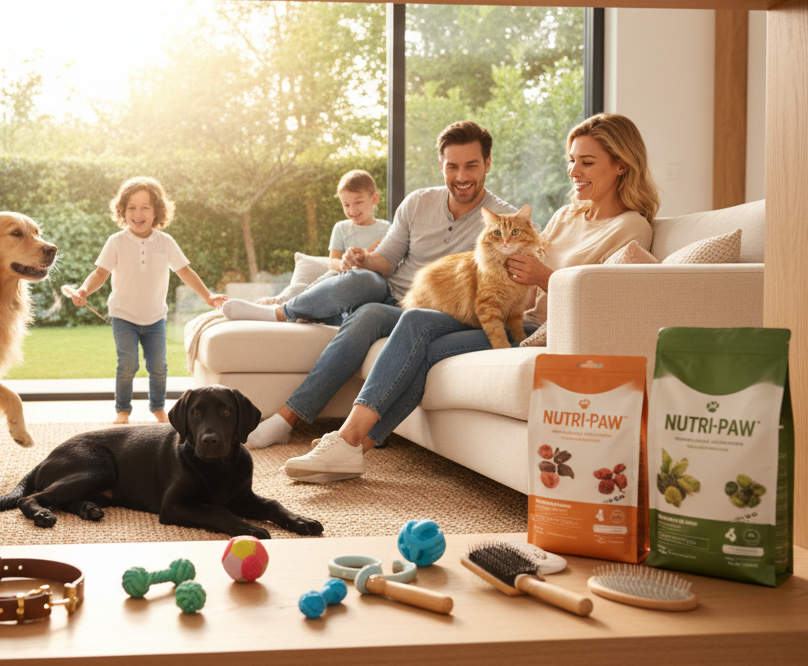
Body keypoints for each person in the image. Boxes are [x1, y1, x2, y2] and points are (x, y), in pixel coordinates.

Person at [281, 112, 661, 481]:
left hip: (542, 330)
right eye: (571, 160)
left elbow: (608, 301)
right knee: (415, 322)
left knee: (419, 337)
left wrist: (545, 277)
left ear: (621, 165)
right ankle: (352, 447)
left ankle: (349, 441)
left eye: (587, 162)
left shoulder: (631, 227)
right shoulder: (566, 216)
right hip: (510, 315)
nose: (573, 172)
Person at [245, 120, 517, 450]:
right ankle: (283, 312)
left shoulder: (503, 221)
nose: (461, 177)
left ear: (488, 163)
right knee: (361, 280)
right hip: (393, 294)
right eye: (452, 166)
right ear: (441, 166)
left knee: (367, 316)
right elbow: (386, 260)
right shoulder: (418, 202)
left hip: (436, 311)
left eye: (471, 166)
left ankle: (286, 418)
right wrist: (362, 258)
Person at [70, 177, 228, 424]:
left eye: (145, 207)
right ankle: (122, 411)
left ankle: (158, 409)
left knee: (158, 366)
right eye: (131, 207)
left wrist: (207, 295)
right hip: (123, 316)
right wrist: (83, 290)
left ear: (157, 211)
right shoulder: (116, 242)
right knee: (128, 364)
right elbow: (100, 273)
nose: (138, 213)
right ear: (123, 211)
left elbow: (185, 271)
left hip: (155, 317)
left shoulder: (165, 242)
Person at [221, 169, 392, 325]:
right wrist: (342, 265)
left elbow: (388, 264)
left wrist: (368, 256)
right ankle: (281, 305)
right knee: (312, 286)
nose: (352, 210)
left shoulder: (388, 230)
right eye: (346, 205)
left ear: (374, 199)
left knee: (356, 287)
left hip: (365, 287)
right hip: (339, 276)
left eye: (358, 202)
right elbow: (332, 261)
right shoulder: (341, 228)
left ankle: (296, 311)